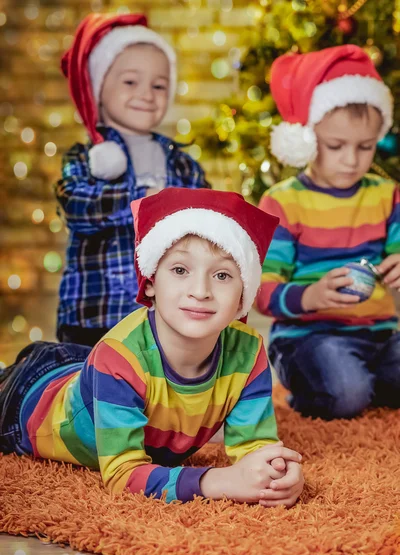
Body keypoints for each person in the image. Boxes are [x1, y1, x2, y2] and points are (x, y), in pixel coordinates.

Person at [0, 188, 304, 507]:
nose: (200, 291)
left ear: (244, 294)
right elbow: (122, 474)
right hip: (29, 398)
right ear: (149, 282)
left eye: (223, 275)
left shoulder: (249, 352)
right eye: (180, 270)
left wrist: (278, 474)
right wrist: (219, 480)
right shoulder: (118, 358)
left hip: (87, 368)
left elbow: (256, 449)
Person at [256, 44, 400, 420]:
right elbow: (262, 291)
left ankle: (369, 382)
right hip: (309, 340)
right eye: (335, 146)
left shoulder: (387, 195)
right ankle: (325, 390)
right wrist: (313, 295)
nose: (351, 160)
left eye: (366, 147)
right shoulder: (283, 202)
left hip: (380, 337)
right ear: (304, 137)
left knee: (358, 384)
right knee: (347, 392)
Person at [55, 13, 210, 347]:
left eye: (158, 85)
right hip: (94, 316)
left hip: (163, 317)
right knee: (88, 393)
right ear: (98, 88)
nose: (147, 94)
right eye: (130, 82)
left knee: (157, 392)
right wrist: (146, 201)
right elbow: (77, 207)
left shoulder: (183, 165)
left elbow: (208, 223)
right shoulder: (86, 158)